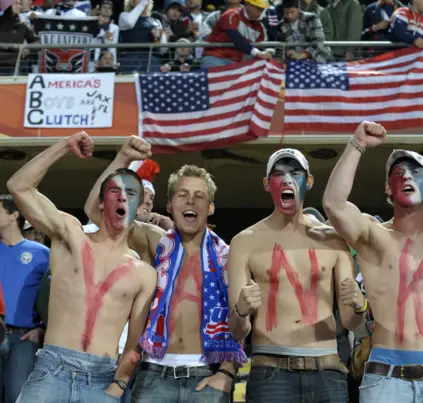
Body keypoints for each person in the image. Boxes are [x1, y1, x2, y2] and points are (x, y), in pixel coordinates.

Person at [323, 122, 423, 403]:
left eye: (416, 172)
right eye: (398, 174)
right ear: (388, 188)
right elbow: (334, 204)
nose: (407, 177)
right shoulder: (373, 235)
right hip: (386, 375)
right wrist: (356, 145)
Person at [84, 144, 245, 403]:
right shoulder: (154, 241)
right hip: (153, 376)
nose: (190, 201)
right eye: (182, 195)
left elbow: (242, 320)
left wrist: (226, 373)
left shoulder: (230, 255)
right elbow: (96, 210)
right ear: (170, 205)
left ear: (211, 208)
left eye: (199, 196)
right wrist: (122, 157)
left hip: (207, 377)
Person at [8, 132, 158, 402]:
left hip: (101, 381)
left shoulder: (143, 273)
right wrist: (64, 145)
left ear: (138, 208)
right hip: (51, 370)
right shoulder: (71, 238)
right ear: (101, 202)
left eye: (132, 193)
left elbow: (135, 345)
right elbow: (18, 186)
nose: (123, 198)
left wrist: (115, 390)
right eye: (115, 191)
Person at [227, 148, 365, 403]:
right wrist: (241, 310)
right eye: (279, 174)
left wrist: (359, 305)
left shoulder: (334, 240)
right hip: (270, 374)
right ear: (268, 184)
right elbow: (237, 330)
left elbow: (350, 321)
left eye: (296, 173)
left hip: (327, 372)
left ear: (309, 181)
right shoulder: (244, 243)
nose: (287, 180)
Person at [0, 195, 49, 403]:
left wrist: (43, 329)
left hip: (24, 339)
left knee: (17, 398)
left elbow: (55, 297)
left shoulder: (42, 253)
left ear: (14, 216)